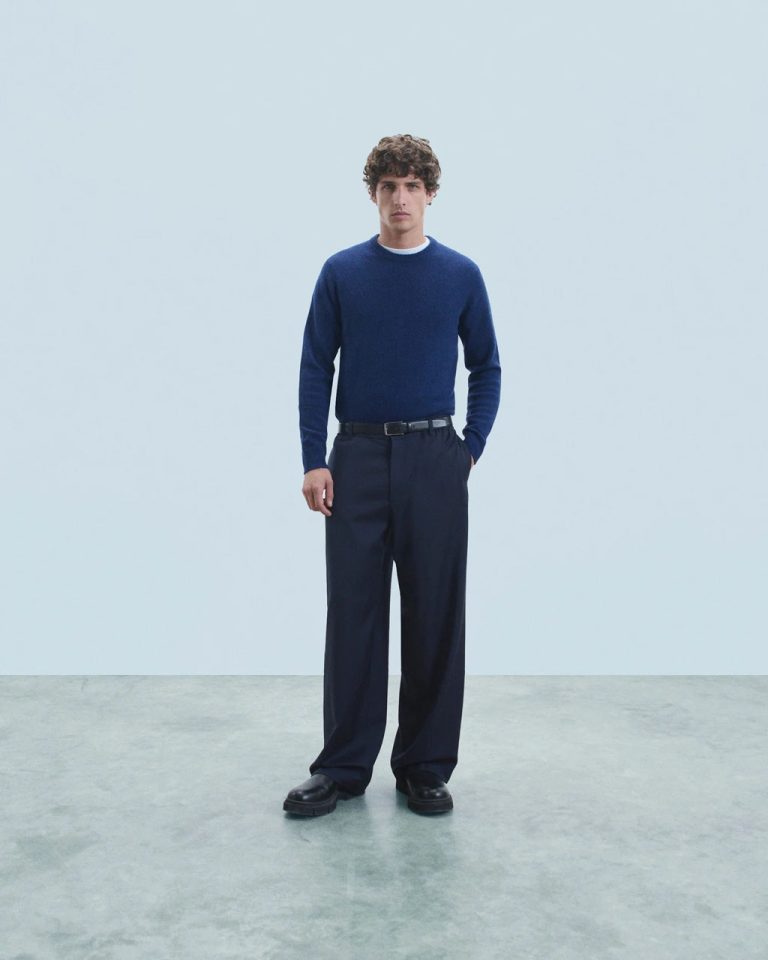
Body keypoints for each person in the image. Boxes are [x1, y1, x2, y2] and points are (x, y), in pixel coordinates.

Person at [283, 134, 501, 817]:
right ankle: (342, 766)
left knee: (435, 614)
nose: (400, 198)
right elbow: (315, 366)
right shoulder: (342, 273)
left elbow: (487, 366)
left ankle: (424, 766)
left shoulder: (460, 275)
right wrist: (314, 457)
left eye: (411, 186)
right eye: (388, 187)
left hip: (435, 457)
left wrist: (469, 449)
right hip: (356, 457)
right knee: (354, 614)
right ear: (373, 195)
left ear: (430, 194)